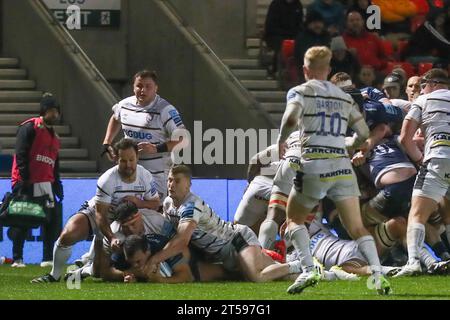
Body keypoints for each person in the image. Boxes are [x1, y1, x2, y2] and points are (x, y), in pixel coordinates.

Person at [276, 46, 391, 294]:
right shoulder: (344, 97)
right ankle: (378, 274)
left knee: (293, 220)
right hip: (342, 166)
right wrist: (349, 144)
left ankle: (308, 270)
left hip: (314, 165)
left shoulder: (300, 91)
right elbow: (362, 134)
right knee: (357, 227)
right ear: (328, 69)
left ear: (305, 69)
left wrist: (281, 141)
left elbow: (289, 120)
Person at [30, 138, 160, 283]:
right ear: (116, 159)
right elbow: (100, 215)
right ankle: (54, 275)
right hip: (100, 213)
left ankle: (87, 267)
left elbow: (155, 204)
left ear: (137, 157)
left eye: (131, 160)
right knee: (68, 235)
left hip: (123, 221)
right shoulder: (107, 180)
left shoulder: (145, 177)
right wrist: (111, 238)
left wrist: (139, 202)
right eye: (123, 160)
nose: (128, 165)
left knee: (99, 272)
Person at [148, 165, 304, 283]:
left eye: (177, 181)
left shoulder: (191, 206)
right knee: (281, 276)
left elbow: (181, 241)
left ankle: (296, 264)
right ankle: (308, 270)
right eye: (169, 180)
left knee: (257, 277)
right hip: (219, 253)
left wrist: (154, 259)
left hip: (236, 241)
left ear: (188, 184)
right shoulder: (168, 203)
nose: (171, 185)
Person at [396, 69, 450, 276]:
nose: (420, 89)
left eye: (423, 85)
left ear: (433, 84)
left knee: (417, 213)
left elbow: (404, 138)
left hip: (437, 158)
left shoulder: (424, 100)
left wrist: (419, 159)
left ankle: (413, 262)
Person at [102, 70, 185, 200]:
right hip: (130, 170)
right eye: (139, 86)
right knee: (127, 208)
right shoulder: (125, 105)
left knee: (155, 209)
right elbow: (115, 118)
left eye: (148, 86)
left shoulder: (165, 110)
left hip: (156, 173)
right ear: (133, 87)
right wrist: (107, 142)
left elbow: (183, 139)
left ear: (156, 88)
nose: (143, 90)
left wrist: (156, 149)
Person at [9, 93, 63, 268]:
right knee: (22, 219)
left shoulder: (55, 137)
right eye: (52, 111)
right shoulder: (30, 127)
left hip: (46, 184)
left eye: (57, 112)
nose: (55, 115)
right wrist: (24, 180)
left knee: (50, 222)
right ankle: (17, 258)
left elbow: (55, 164)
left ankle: (47, 258)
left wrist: (57, 184)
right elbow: (21, 154)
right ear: (44, 111)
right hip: (26, 181)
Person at [263, 0, 304, 76]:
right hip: (276, 34)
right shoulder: (276, 4)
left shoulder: (298, 5)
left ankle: (298, 71)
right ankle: (276, 69)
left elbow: (300, 24)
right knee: (280, 44)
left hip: (293, 35)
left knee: (301, 43)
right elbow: (270, 25)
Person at [294, 10, 330, 81]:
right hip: (308, 71)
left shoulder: (327, 36)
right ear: (308, 24)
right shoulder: (302, 37)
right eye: (314, 23)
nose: (317, 25)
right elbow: (304, 56)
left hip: (326, 69)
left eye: (319, 22)